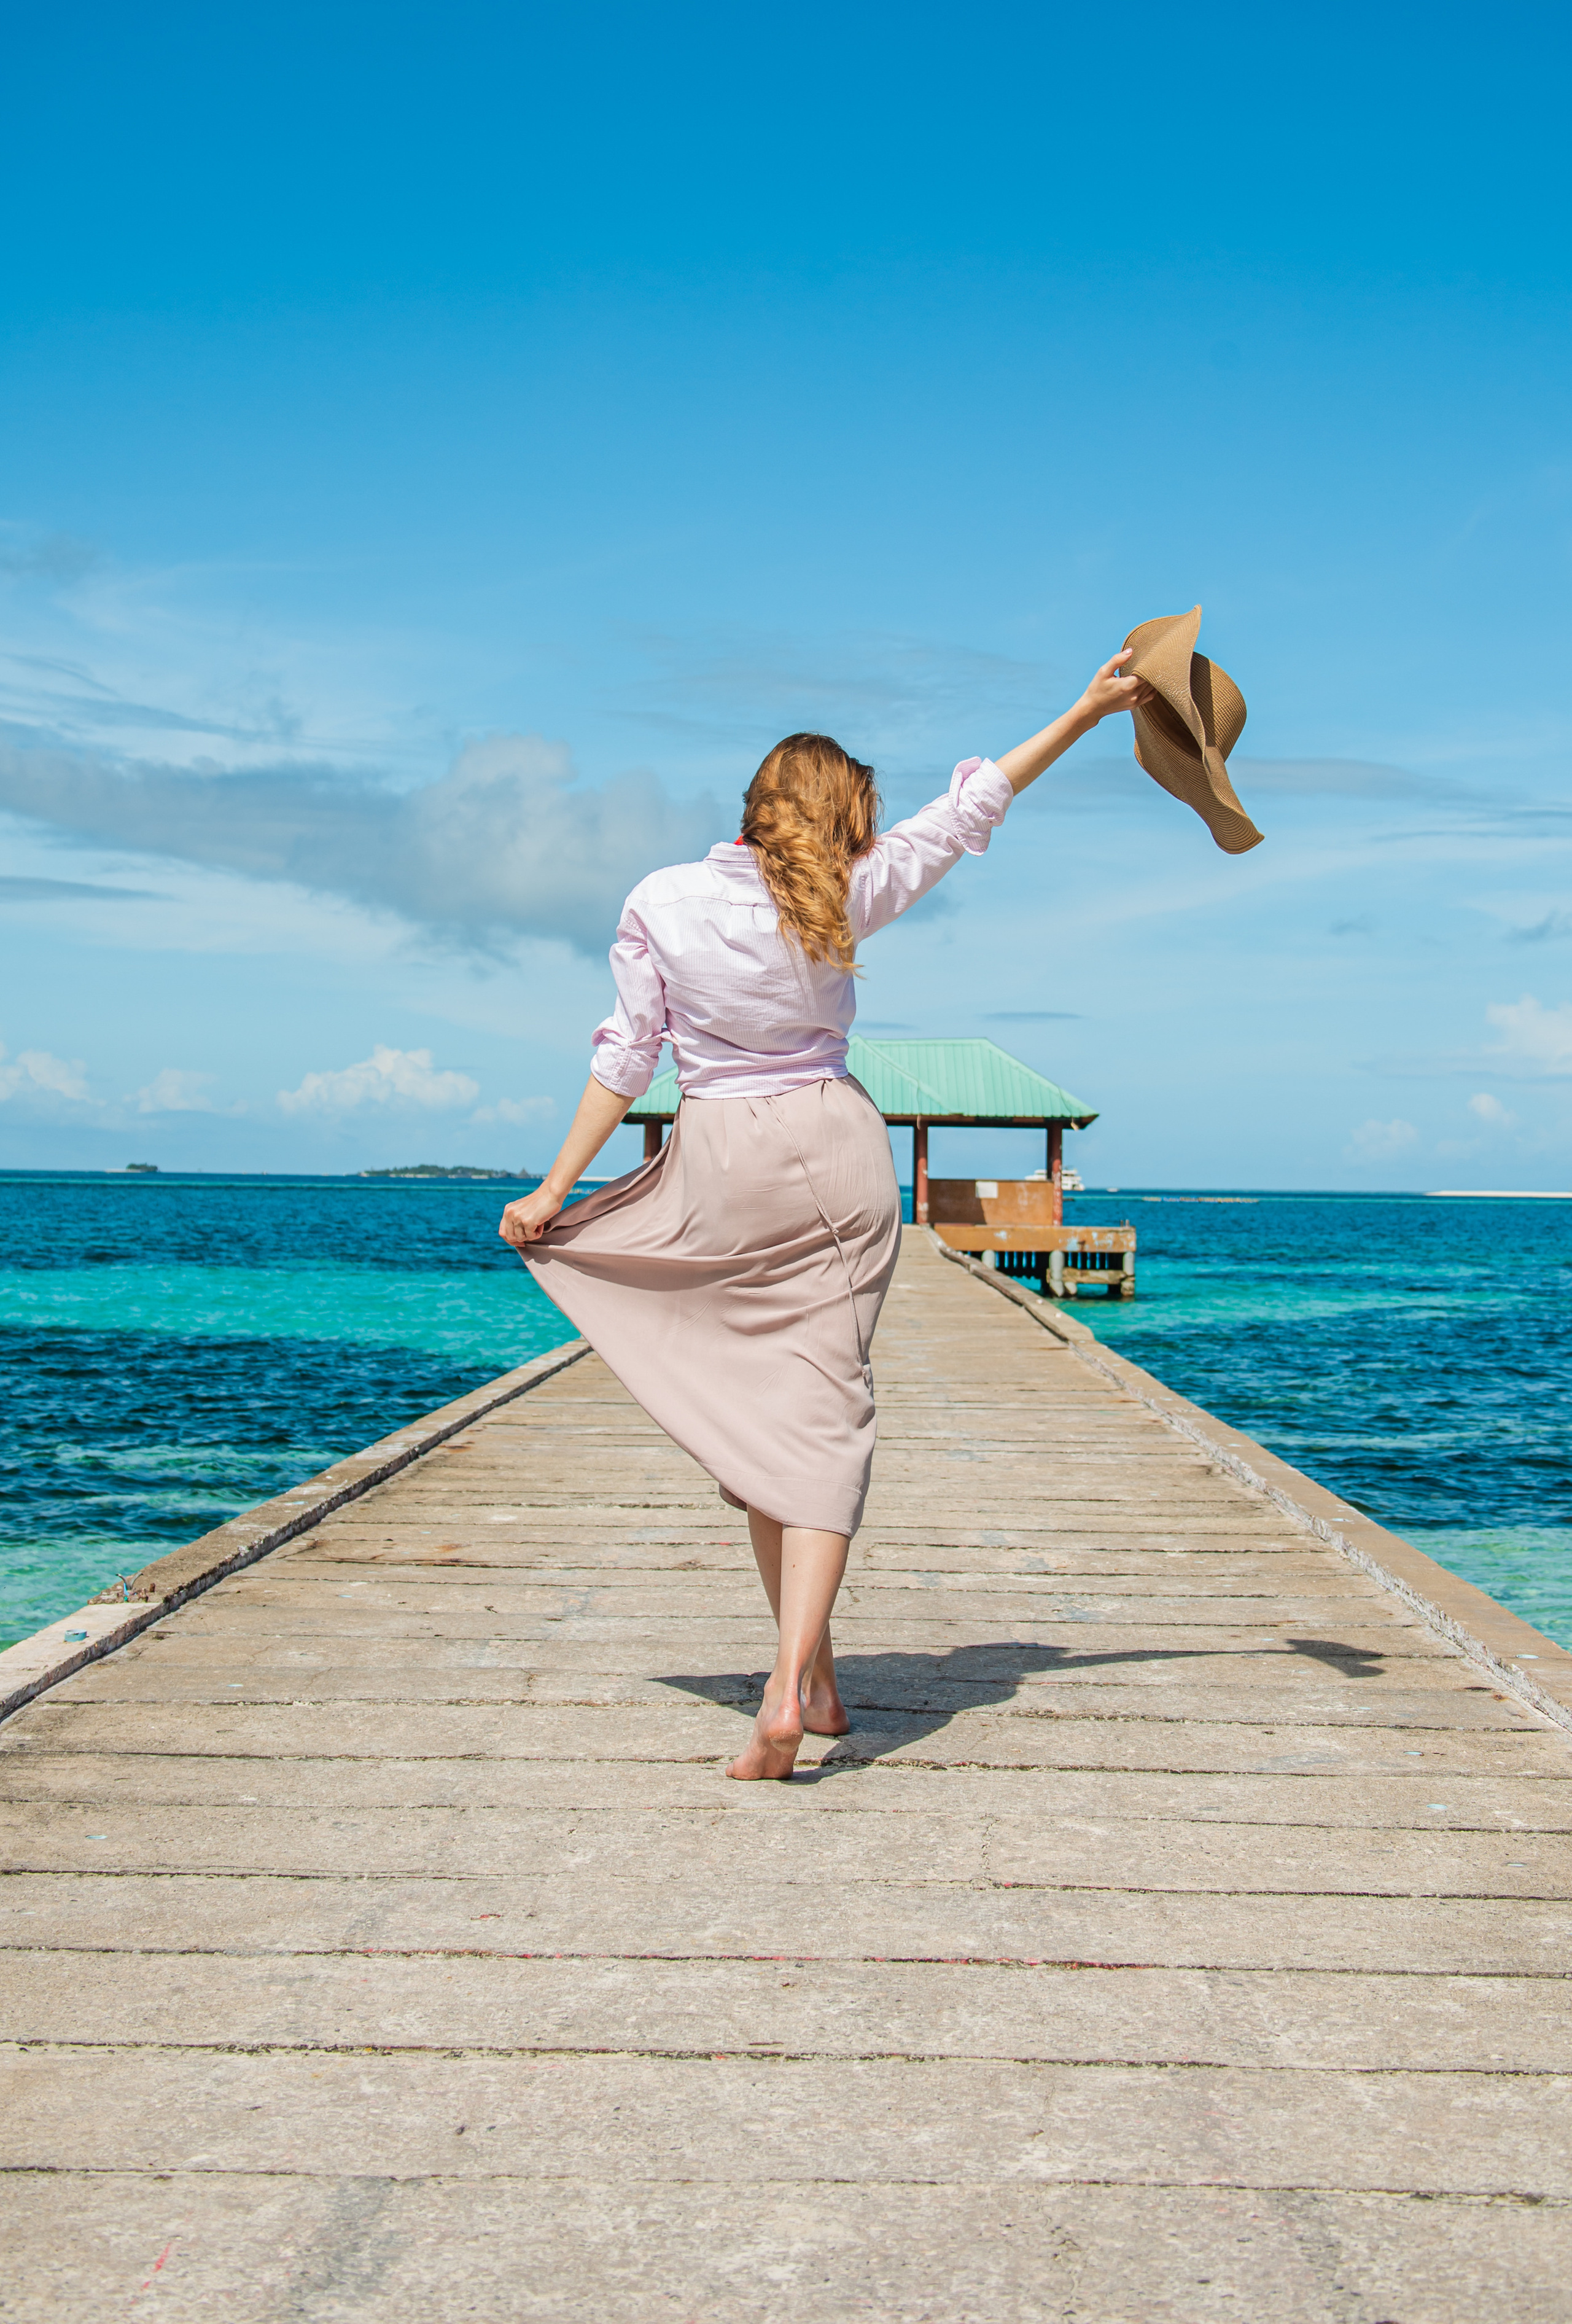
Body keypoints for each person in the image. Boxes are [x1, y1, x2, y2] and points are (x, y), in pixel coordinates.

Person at [499, 651, 1151, 1779]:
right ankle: (798, 1684)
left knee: (768, 1428)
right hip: (840, 1156)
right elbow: (978, 802)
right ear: (838, 817)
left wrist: (557, 1191)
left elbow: (627, 1055)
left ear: (754, 803)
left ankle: (809, 1682)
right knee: (821, 1415)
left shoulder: (661, 897)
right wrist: (1091, 710)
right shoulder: (851, 891)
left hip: (723, 1164)